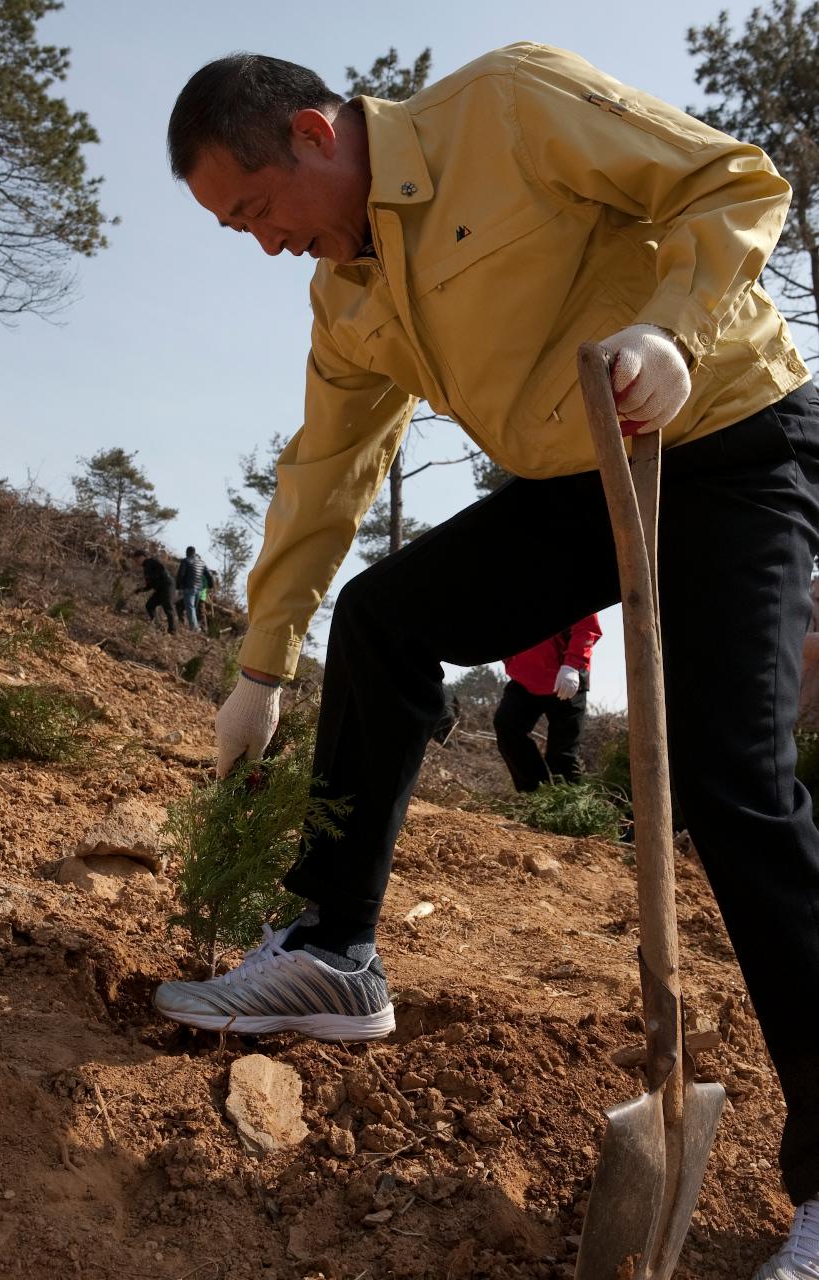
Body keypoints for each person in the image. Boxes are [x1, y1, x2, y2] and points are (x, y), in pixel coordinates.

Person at [155, 46, 819, 1274]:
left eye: (253, 211)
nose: (260, 246)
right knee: (382, 616)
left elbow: (734, 181)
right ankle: (335, 949)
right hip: (576, 475)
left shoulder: (506, 107)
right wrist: (260, 667)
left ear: (311, 134)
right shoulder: (348, 296)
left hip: (722, 435)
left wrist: (673, 331)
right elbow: (325, 475)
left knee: (734, 783)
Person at [494, 616, 602, 792]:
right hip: (524, 678)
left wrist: (573, 665)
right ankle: (537, 796)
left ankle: (572, 807)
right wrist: (511, 662)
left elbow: (587, 626)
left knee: (561, 756)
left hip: (566, 679)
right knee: (507, 727)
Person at [131, 550, 177, 634]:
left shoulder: (152, 561)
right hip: (160, 589)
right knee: (150, 605)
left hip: (167, 585)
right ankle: (158, 626)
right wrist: (139, 590)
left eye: (137, 559)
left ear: (142, 556)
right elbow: (150, 585)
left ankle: (172, 631)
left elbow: (162, 569)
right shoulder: (146, 569)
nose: (136, 562)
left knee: (168, 607)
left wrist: (153, 577)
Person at [175, 545, 205, 630]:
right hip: (198, 590)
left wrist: (178, 587)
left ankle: (195, 628)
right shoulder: (201, 564)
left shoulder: (186, 561)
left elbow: (180, 575)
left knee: (191, 608)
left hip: (189, 588)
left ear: (187, 553)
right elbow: (207, 577)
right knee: (190, 608)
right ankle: (189, 625)